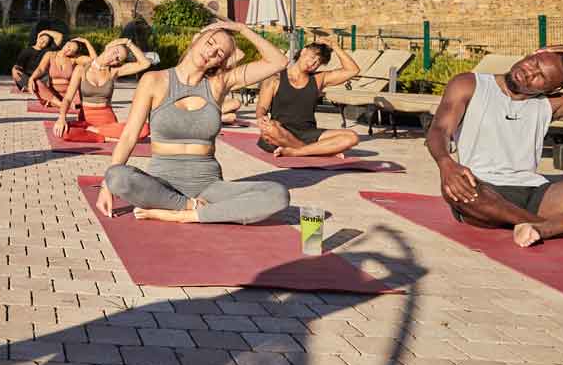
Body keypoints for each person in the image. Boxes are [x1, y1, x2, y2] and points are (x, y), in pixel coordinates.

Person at [97, 22, 291, 224]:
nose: (211, 52)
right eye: (210, 43)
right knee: (116, 176)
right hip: (160, 185)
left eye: (219, 53)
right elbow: (129, 136)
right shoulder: (154, 80)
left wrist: (241, 29)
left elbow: (278, 61)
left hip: (209, 187)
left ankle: (185, 214)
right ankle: (191, 207)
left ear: (220, 62)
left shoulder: (219, 84)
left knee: (277, 194)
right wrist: (106, 186)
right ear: (196, 39)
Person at [427, 46, 563, 247]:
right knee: (456, 191)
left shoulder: (551, 103)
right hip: (482, 189)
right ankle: (551, 227)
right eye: (535, 63)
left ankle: (542, 228)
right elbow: (440, 129)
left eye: (541, 77)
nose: (529, 72)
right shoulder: (470, 83)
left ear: (551, 89)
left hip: (536, 192)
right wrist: (446, 163)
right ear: (531, 54)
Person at [255, 42, 361, 157]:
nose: (313, 63)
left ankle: (297, 151)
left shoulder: (319, 79)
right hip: (280, 130)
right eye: (312, 57)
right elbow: (262, 107)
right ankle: (318, 151)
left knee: (352, 137)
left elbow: (353, 70)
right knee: (270, 129)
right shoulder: (275, 79)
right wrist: (261, 117)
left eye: (318, 62)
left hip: (309, 133)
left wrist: (334, 46)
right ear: (303, 51)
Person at [53, 39, 151, 141]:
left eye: (118, 59)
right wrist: (61, 118)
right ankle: (109, 138)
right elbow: (68, 98)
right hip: (86, 120)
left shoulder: (114, 72)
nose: (114, 58)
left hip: (108, 121)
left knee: (145, 128)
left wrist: (129, 43)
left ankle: (96, 133)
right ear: (108, 47)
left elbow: (145, 64)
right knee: (63, 131)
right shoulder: (81, 69)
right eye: (115, 52)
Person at [28, 36, 95, 107]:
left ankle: (58, 104)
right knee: (36, 82)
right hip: (53, 95)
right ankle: (61, 104)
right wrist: (31, 78)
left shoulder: (74, 59)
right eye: (68, 46)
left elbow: (94, 61)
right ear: (65, 43)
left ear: (74, 53)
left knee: (79, 100)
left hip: (70, 94)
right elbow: (41, 69)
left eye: (72, 50)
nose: (68, 49)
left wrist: (86, 42)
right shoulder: (50, 54)